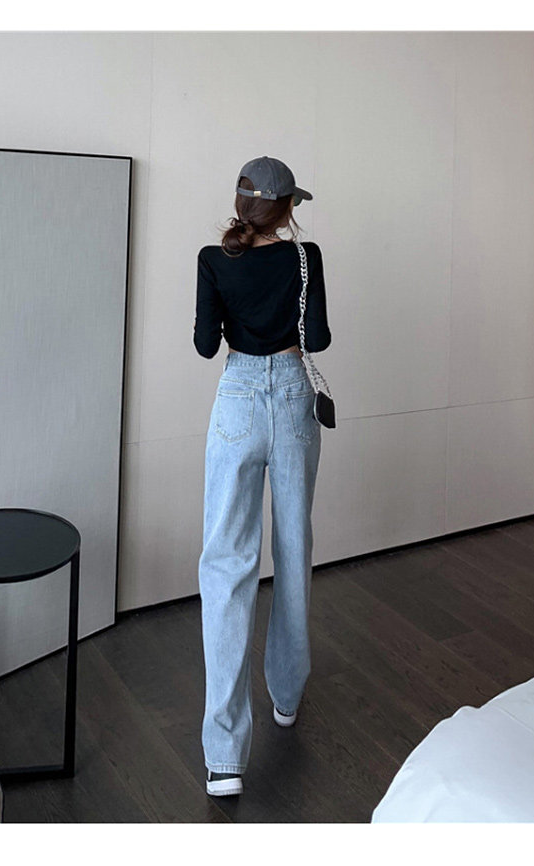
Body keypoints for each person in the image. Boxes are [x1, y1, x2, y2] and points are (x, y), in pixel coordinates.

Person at [193, 155, 331, 797]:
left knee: (226, 563)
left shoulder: (212, 259)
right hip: (294, 399)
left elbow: (205, 344)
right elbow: (317, 338)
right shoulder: (306, 258)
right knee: (293, 549)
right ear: (285, 209)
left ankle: (224, 757)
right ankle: (286, 695)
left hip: (238, 404)